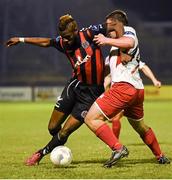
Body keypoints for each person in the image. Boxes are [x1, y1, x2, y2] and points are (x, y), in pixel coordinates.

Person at [6, 14, 109, 166]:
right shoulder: (63, 43)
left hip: (91, 94)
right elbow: (46, 42)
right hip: (74, 86)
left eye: (67, 37)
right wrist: (21, 40)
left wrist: (119, 41)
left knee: (65, 131)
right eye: (63, 37)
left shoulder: (89, 34)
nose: (65, 40)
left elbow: (112, 25)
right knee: (53, 127)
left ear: (75, 31)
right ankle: (59, 145)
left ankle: (40, 154)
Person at [84, 10, 170, 168]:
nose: (106, 29)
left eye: (109, 25)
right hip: (136, 90)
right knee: (140, 126)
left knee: (91, 119)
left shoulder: (129, 32)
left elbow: (129, 43)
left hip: (124, 88)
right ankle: (160, 156)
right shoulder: (115, 44)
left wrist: (105, 40)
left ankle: (118, 148)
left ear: (118, 24)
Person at [104, 59, 162, 139]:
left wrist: (154, 80)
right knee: (138, 125)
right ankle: (116, 144)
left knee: (115, 118)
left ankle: (116, 145)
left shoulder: (131, 56)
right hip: (123, 92)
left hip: (127, 91)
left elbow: (144, 67)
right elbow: (104, 70)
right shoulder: (112, 58)